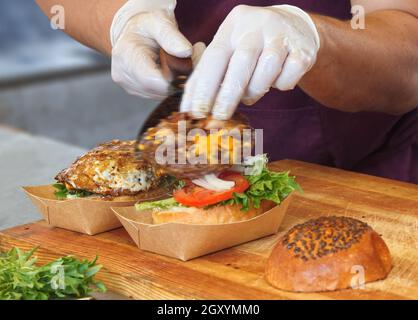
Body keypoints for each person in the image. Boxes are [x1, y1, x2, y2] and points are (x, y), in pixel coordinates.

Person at [35, 0, 418, 183]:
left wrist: (314, 37)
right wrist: (121, 18)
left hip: (377, 170)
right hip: (197, 168)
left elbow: (408, 51)